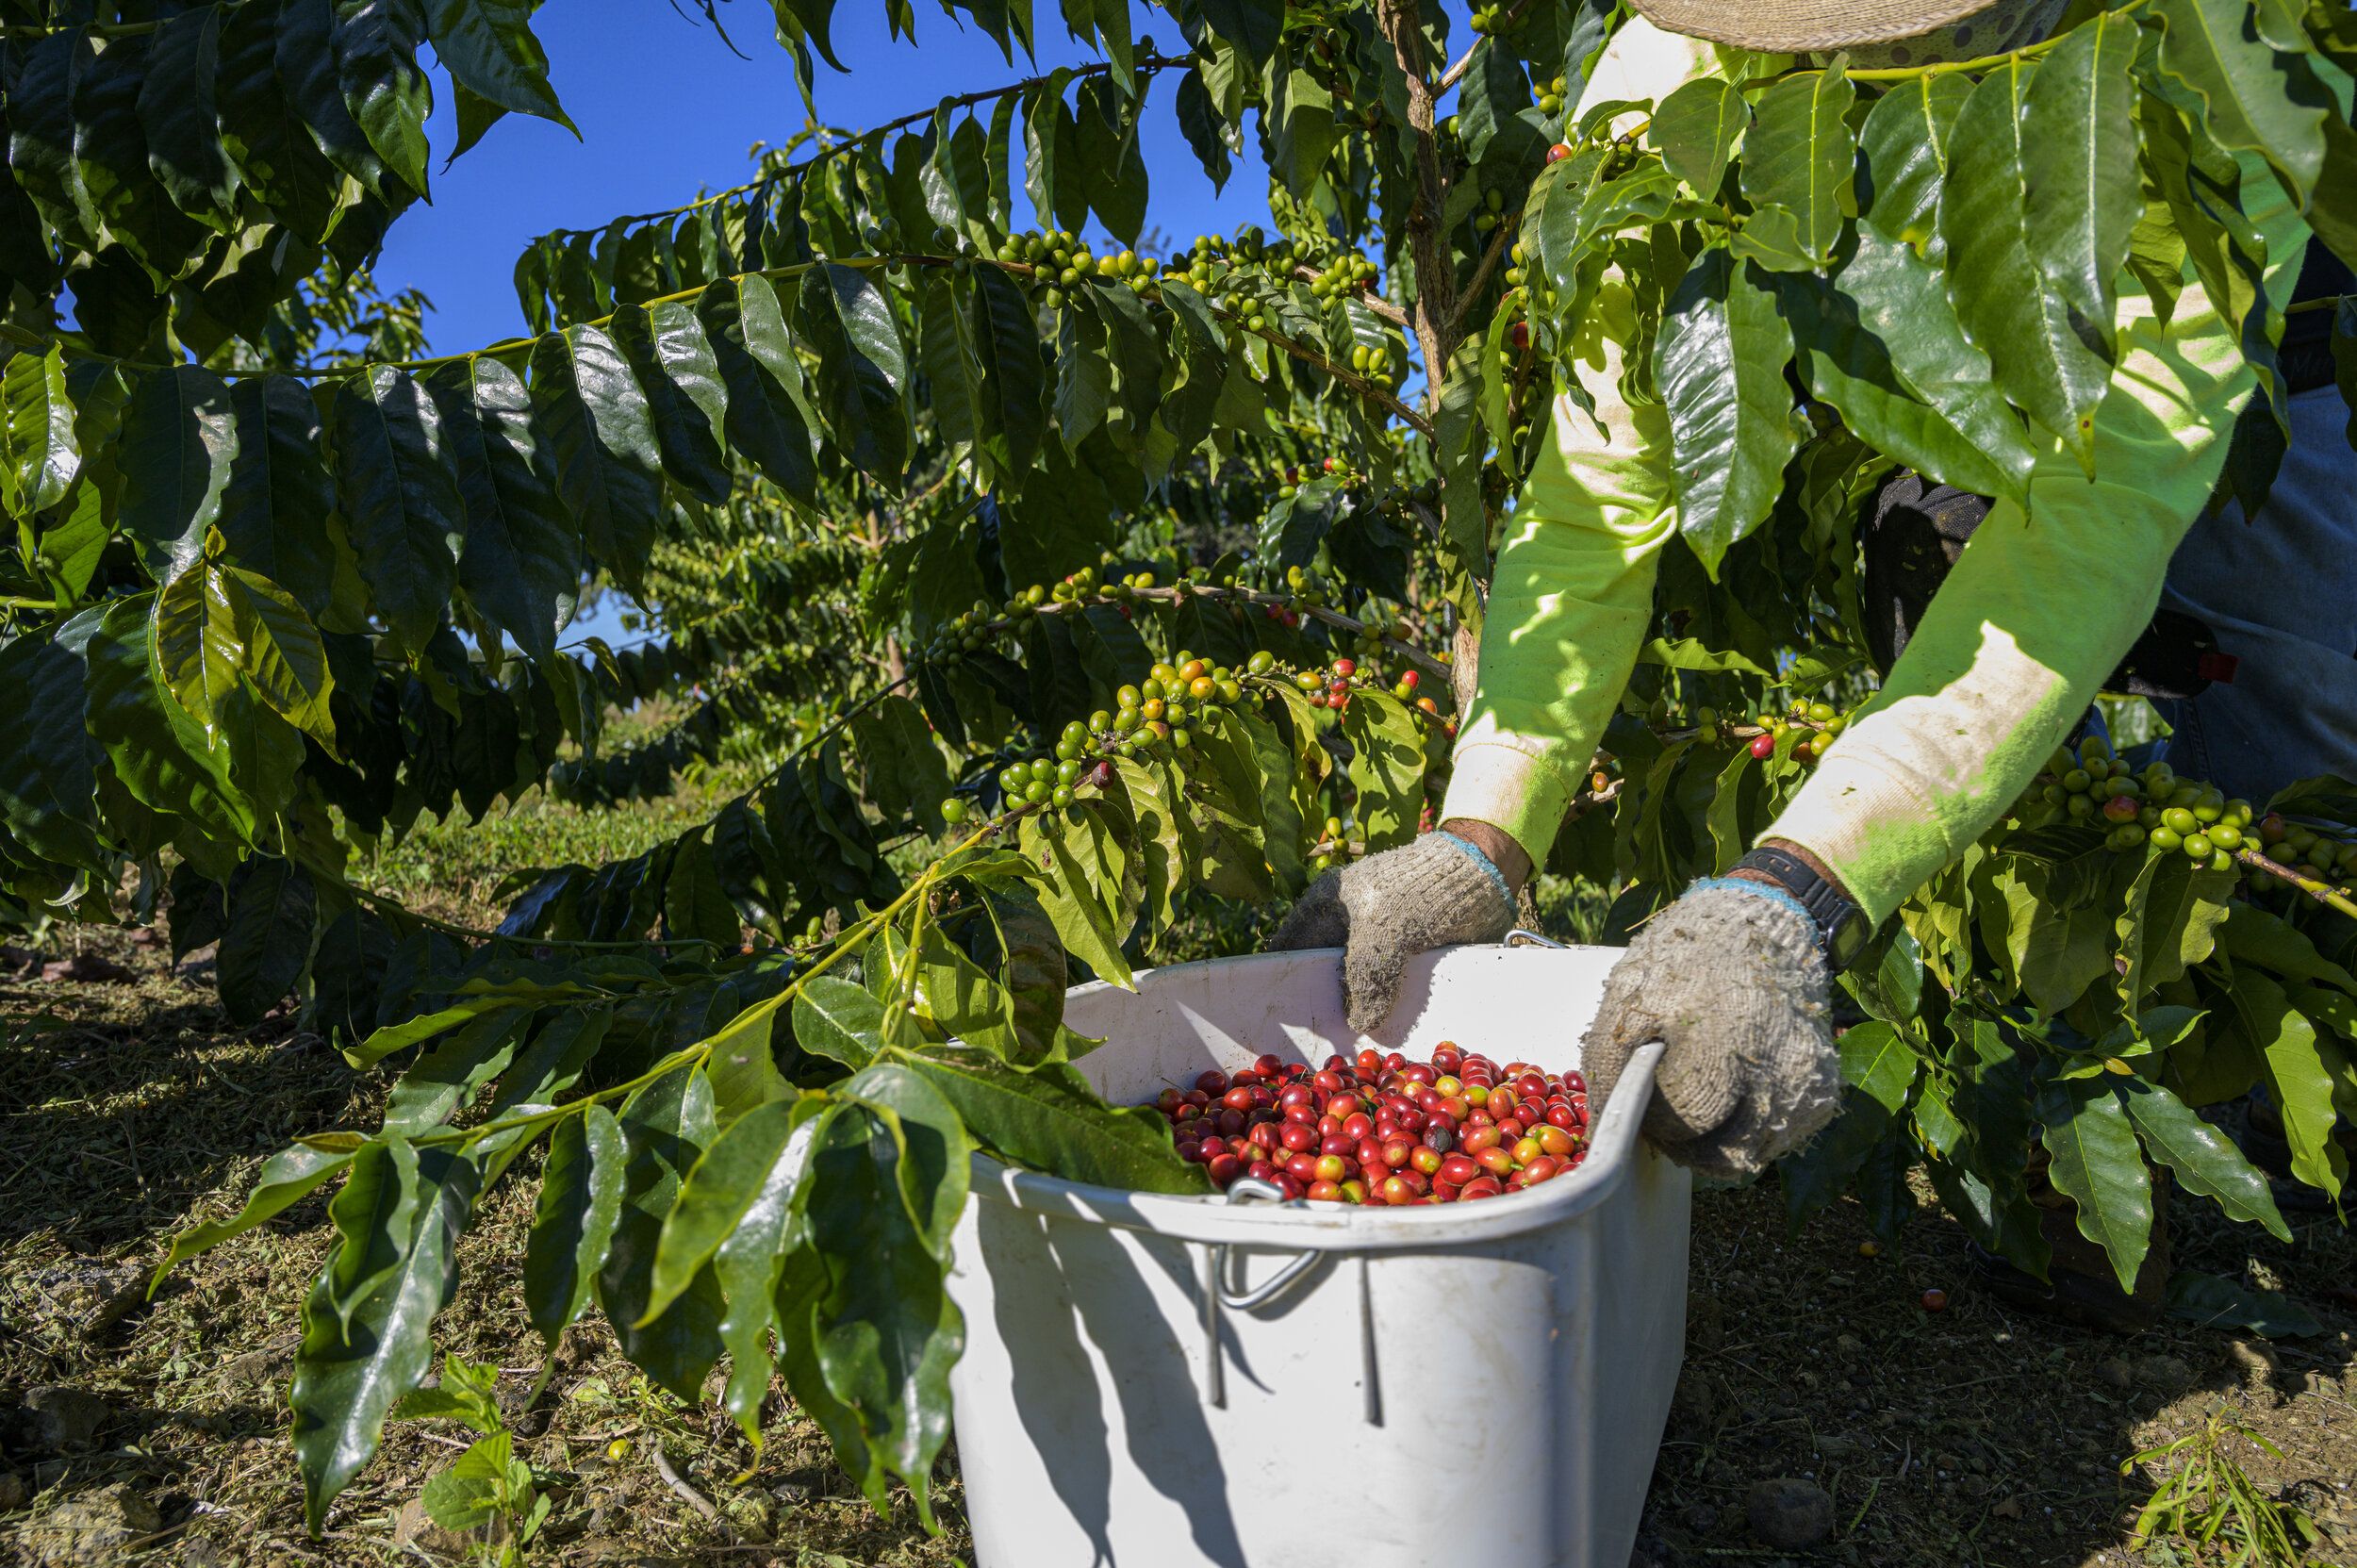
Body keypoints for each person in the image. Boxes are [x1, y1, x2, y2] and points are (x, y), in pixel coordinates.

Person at [1274, 0, 2352, 1322]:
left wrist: (1789, 891)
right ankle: (2067, 1174)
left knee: (2308, 738)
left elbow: (2098, 514)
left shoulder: (2216, 55)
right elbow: (1597, 494)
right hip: (1948, 369)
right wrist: (1484, 830)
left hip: (2278, 351)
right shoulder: (1663, 79)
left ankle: (2305, 1119)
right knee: (2015, 815)